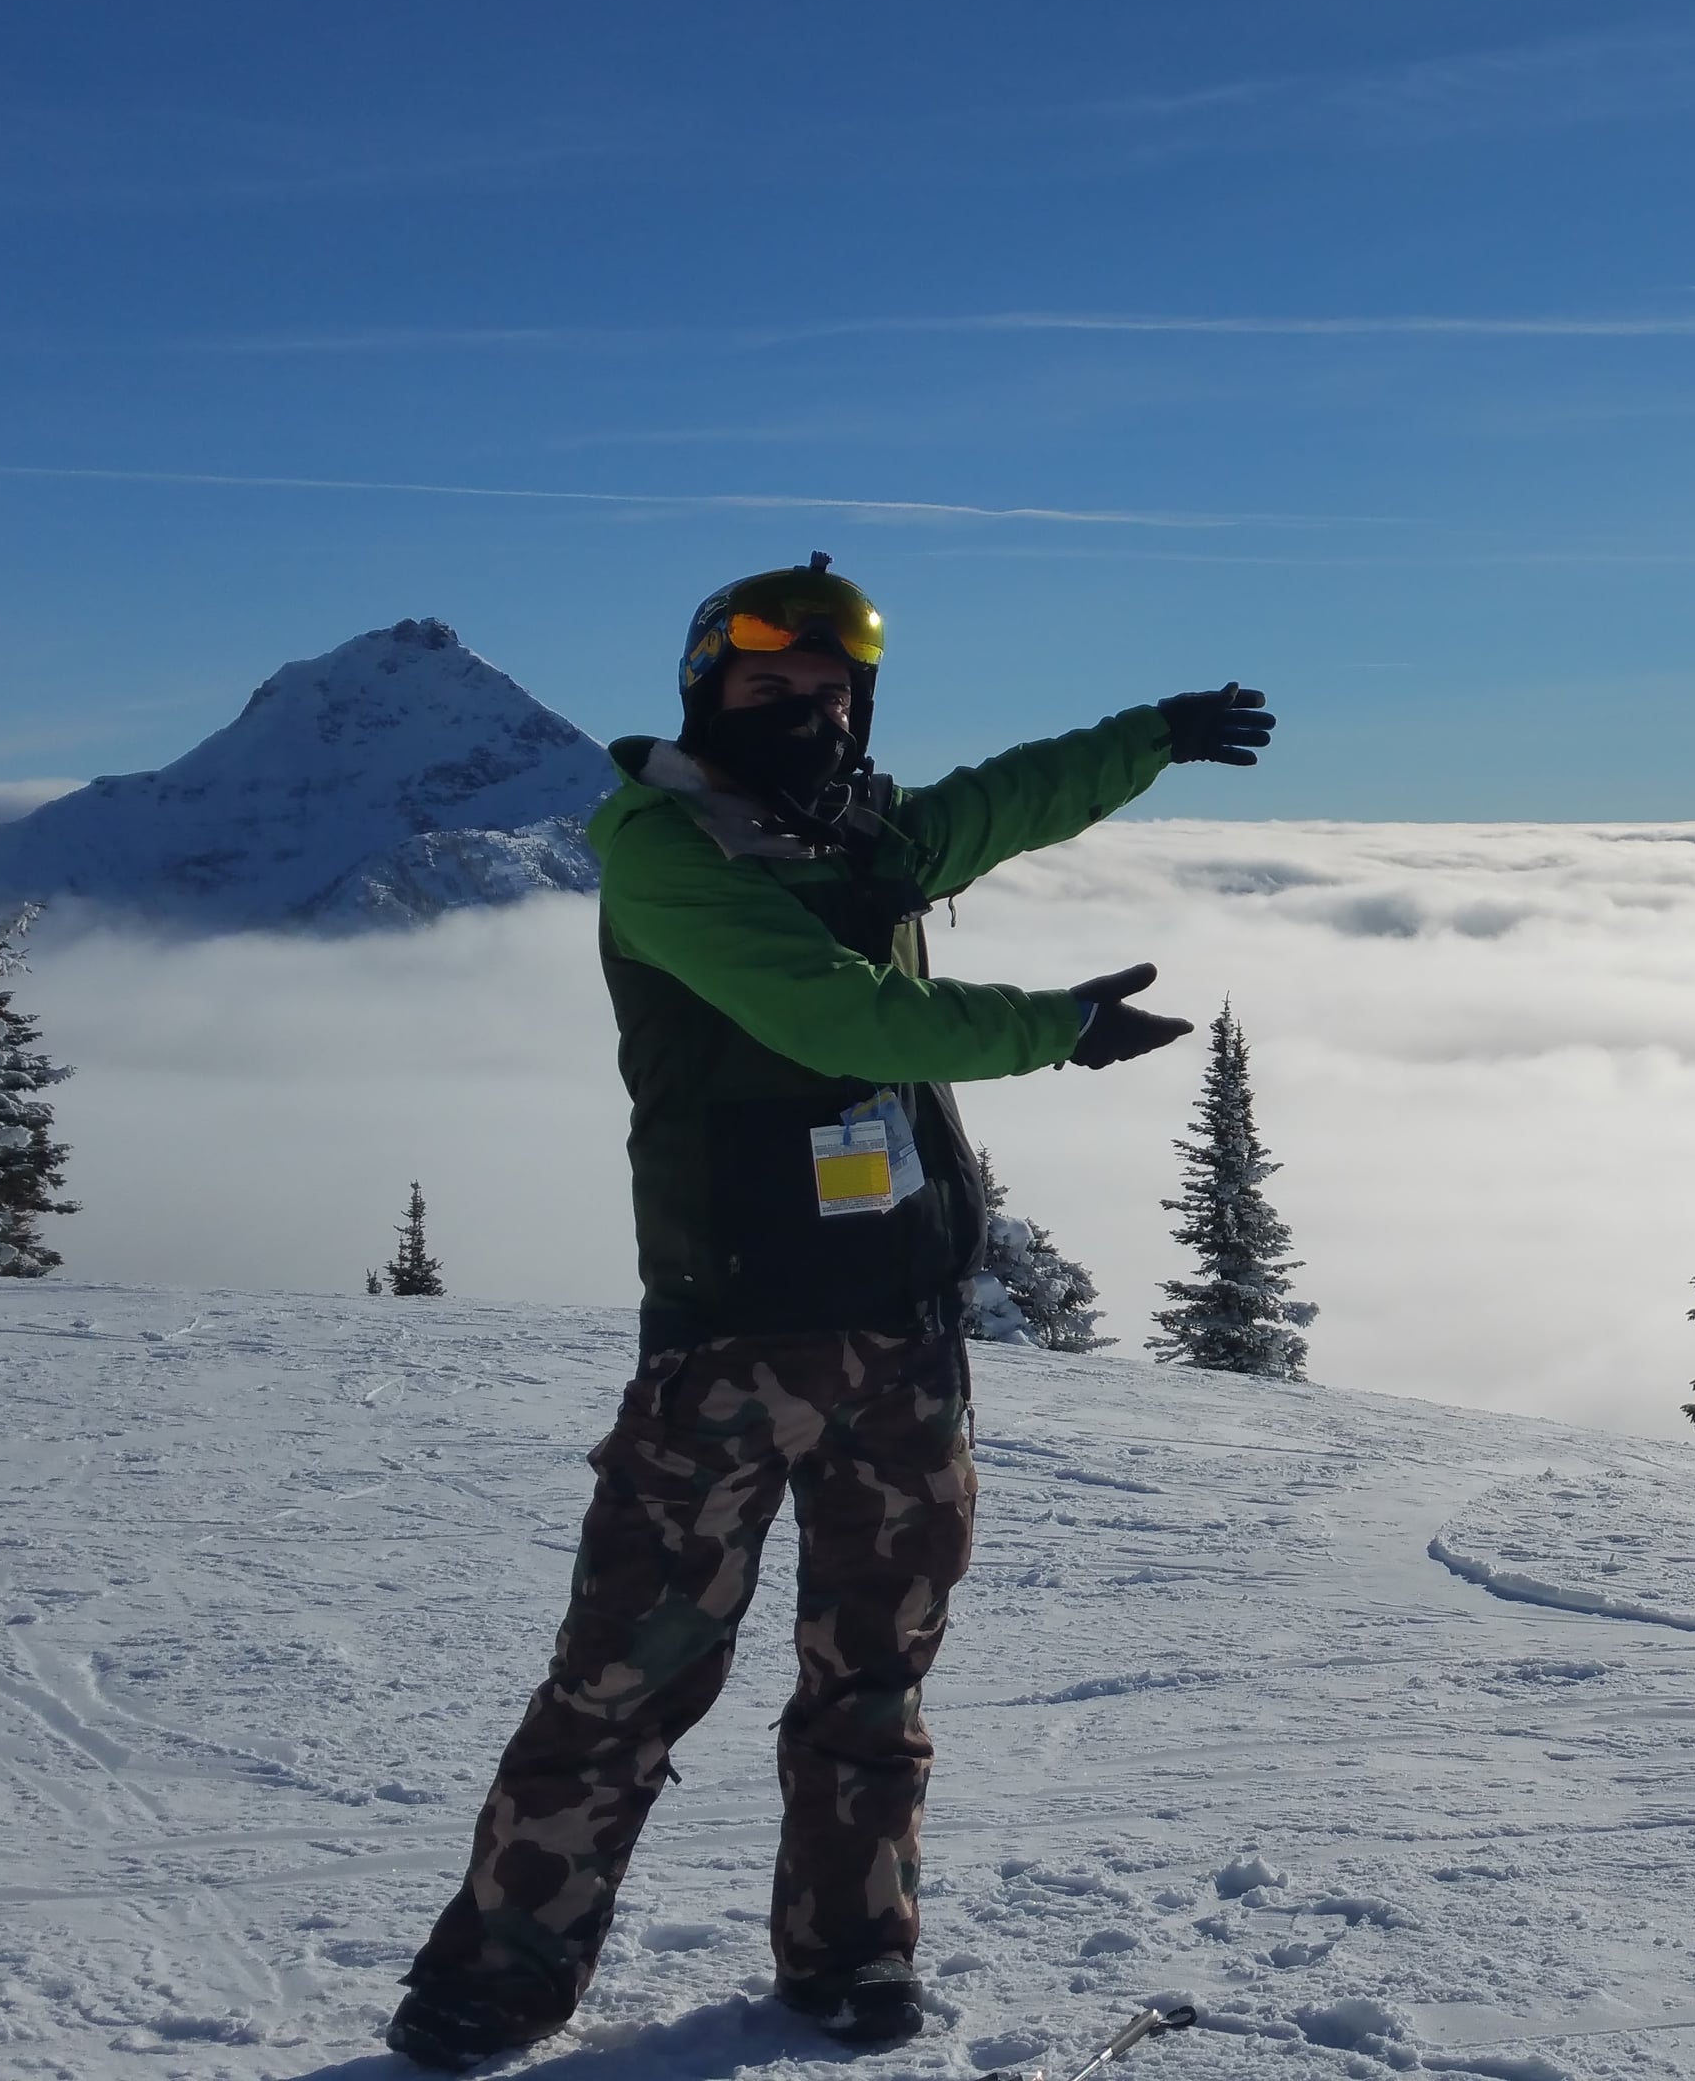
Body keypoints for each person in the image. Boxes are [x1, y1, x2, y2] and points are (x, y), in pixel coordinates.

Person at [386, 556, 1271, 2068]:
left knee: (873, 1678)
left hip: (901, 1334)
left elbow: (1001, 800)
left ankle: (850, 1958)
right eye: (769, 688)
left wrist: (1152, 735)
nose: (803, 713)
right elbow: (836, 1015)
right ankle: (495, 1980)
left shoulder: (859, 831)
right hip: (726, 1340)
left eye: (829, 693)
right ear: (705, 695)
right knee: (622, 1682)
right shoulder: (671, 854)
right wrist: (1052, 1026)